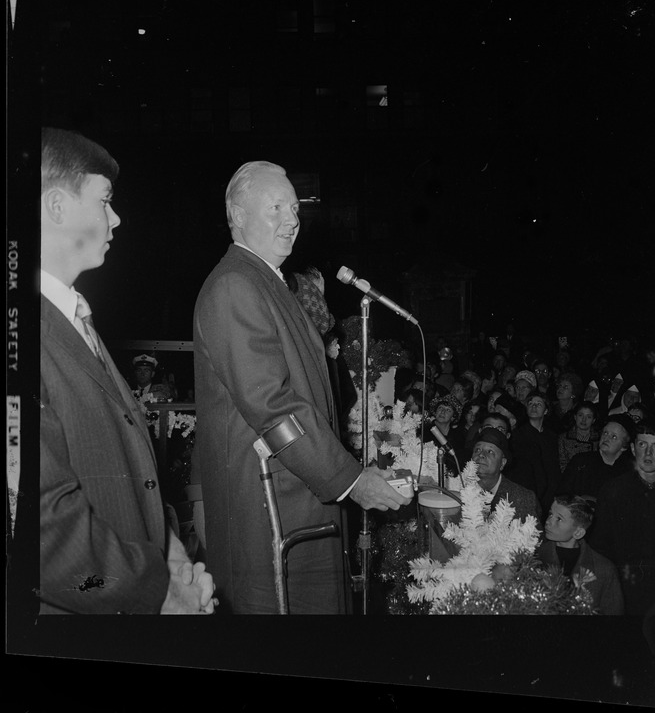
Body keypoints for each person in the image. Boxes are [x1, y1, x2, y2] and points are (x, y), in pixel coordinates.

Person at [192, 160, 411, 614]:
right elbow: (273, 409)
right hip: (272, 507)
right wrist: (350, 480)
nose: (292, 220)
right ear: (236, 214)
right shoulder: (236, 285)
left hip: (295, 495)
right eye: (275, 207)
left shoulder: (266, 283)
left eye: (294, 208)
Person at [38, 127, 215, 614]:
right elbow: (43, 534)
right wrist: (158, 592)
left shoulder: (75, 318)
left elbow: (124, 475)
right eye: (104, 201)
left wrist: (171, 555)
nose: (116, 219)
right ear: (56, 207)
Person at [589, 416, 655, 616]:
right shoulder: (614, 489)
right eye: (642, 444)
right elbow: (600, 547)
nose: (648, 453)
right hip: (624, 587)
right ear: (632, 448)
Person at [538, 495, 624, 615]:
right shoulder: (534, 557)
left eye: (559, 519)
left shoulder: (604, 569)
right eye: (550, 514)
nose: (548, 521)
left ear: (578, 532)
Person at [471, 427, 542, 525]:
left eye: (490, 452)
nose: (481, 455)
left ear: (502, 463)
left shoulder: (522, 499)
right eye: (477, 450)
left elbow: (534, 538)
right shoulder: (458, 489)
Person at [556, 414, 635, 502]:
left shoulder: (628, 472)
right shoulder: (580, 461)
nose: (606, 438)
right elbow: (562, 495)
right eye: (605, 433)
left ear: (624, 446)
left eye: (614, 437)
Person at [507, 390, 561, 515]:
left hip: (550, 494)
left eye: (539, 404)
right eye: (530, 403)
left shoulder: (552, 437)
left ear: (546, 411)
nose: (534, 406)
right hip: (528, 491)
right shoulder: (518, 435)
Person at [557, 401, 601, 473]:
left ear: (593, 420)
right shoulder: (563, 438)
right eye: (580, 415)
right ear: (575, 417)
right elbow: (562, 464)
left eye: (588, 417)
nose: (584, 420)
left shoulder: (600, 439)